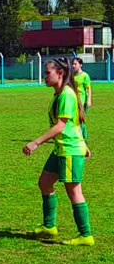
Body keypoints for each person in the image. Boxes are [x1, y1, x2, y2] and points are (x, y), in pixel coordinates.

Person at [23, 57, 93, 246]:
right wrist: (84, 144)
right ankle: (49, 227)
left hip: (69, 150)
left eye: (48, 73)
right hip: (61, 149)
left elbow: (61, 126)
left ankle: (85, 235)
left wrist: (36, 142)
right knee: (45, 183)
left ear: (60, 73)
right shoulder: (59, 93)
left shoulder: (66, 95)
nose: (44, 76)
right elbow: (76, 122)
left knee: (74, 191)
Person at [72, 58, 92, 142]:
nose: (73, 66)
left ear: (80, 65)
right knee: (74, 119)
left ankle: (84, 137)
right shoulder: (72, 76)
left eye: (75, 64)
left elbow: (88, 89)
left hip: (82, 101)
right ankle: (79, 136)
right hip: (74, 100)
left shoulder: (85, 75)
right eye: (73, 64)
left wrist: (89, 100)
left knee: (80, 119)